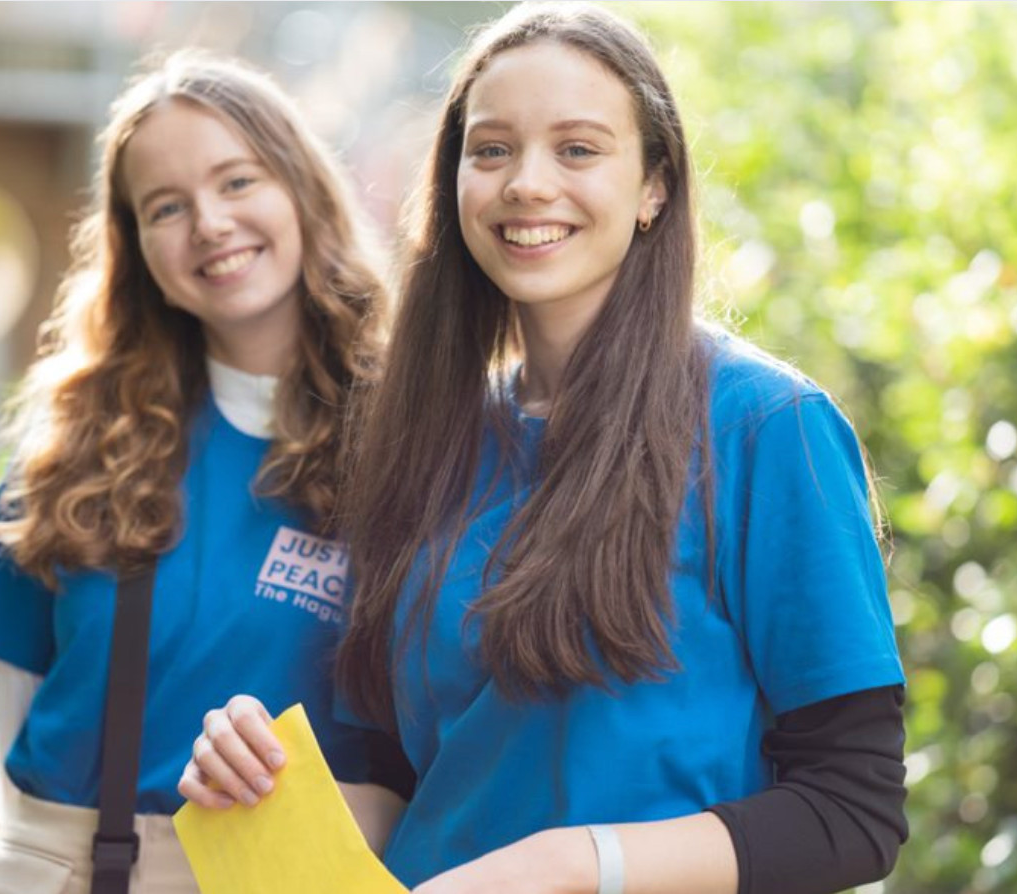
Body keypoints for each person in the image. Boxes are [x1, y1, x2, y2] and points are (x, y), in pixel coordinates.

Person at [180, 5, 908, 894]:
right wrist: (260, 787)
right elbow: (403, 785)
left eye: (577, 149)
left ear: (655, 188)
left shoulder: (766, 426)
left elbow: (853, 811)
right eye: (490, 151)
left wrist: (574, 863)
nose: (526, 183)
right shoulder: (422, 442)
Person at [0, 51, 384, 893]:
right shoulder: (66, 450)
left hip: (308, 874)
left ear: (301, 188)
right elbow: (14, 727)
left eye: (237, 181)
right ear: (136, 246)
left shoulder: (419, 440)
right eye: (167, 207)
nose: (210, 224)